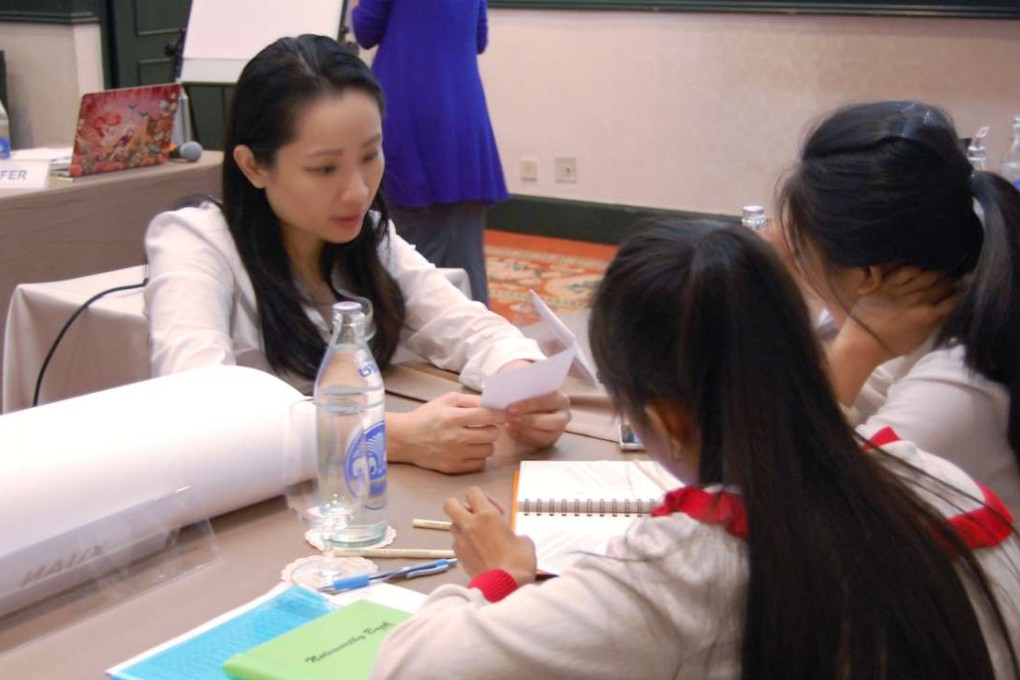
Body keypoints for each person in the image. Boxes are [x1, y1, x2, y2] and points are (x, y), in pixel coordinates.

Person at [370, 220, 1019, 679]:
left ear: (664, 420)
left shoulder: (690, 569)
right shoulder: (941, 481)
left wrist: (501, 575)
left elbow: (411, 666)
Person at [143, 35, 569, 474]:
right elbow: (202, 407)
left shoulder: (366, 234)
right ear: (253, 165)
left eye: (370, 155)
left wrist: (522, 384)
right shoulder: (193, 242)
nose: (357, 191)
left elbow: (467, 325)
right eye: (324, 168)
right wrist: (390, 436)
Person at [775, 101, 1020, 520]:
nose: (802, 271)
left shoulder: (955, 387)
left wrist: (853, 349)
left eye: (802, 255)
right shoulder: (931, 323)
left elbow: (796, 505)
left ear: (869, 276)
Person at [352, 0, 507, 306]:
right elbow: (479, 38)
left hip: (408, 110)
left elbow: (365, 30)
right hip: (463, 112)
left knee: (404, 259)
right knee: (466, 259)